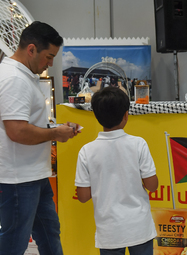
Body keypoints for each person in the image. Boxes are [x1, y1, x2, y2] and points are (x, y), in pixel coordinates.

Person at [0, 21, 81, 255]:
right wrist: (55, 133)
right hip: (18, 179)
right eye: (49, 57)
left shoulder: (22, 76)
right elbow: (17, 131)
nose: (51, 64)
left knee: (49, 234)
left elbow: (26, 124)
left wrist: (55, 127)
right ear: (32, 49)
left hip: (33, 174)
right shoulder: (14, 79)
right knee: (15, 242)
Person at [75, 87, 158, 255]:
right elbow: (152, 185)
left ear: (97, 117)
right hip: (139, 228)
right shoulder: (138, 144)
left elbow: (83, 197)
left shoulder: (86, 151)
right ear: (126, 115)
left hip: (109, 232)